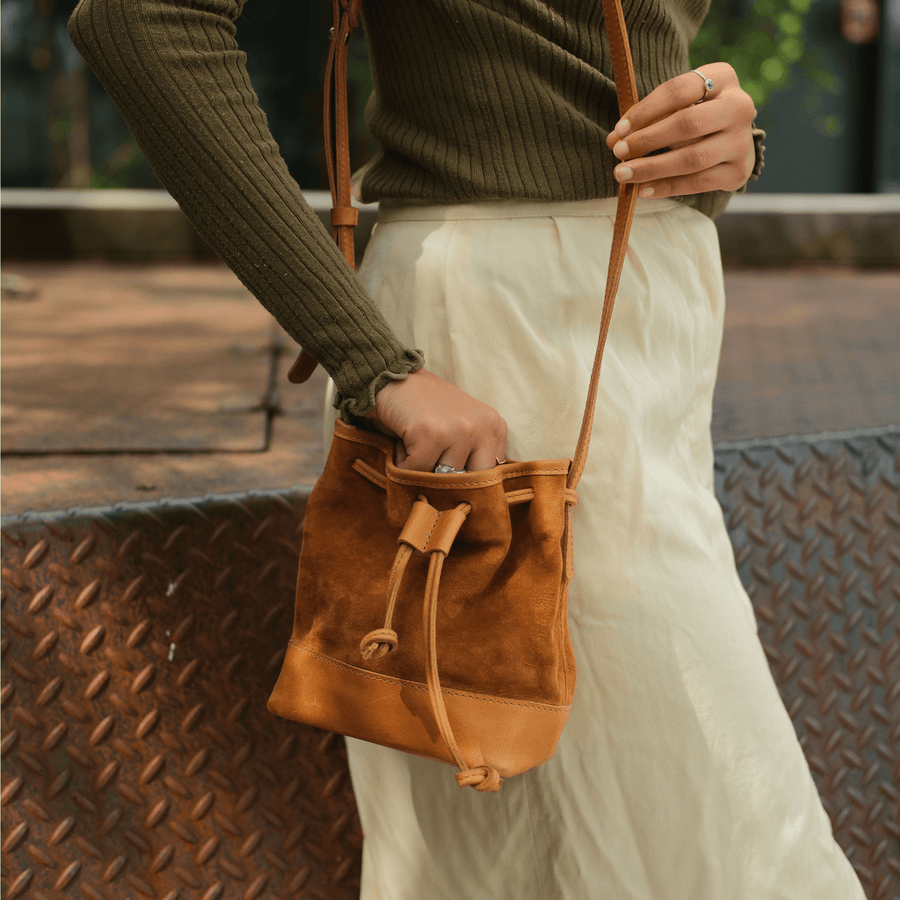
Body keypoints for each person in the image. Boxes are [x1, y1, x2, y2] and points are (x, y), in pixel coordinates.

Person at [67, 1, 866, 897]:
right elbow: (141, 19)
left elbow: (581, 63)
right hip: (504, 325)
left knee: (516, 833)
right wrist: (371, 359)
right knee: (720, 822)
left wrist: (721, 144)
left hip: (643, 301)